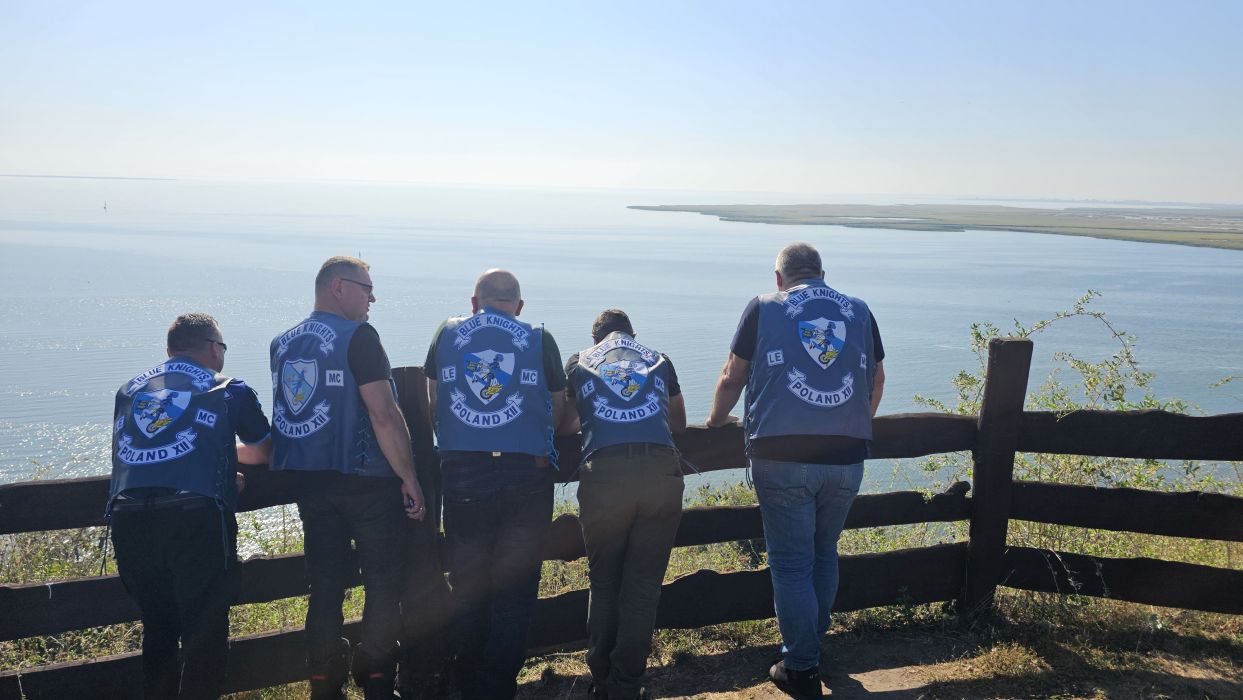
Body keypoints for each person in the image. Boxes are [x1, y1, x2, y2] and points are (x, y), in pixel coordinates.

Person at [706, 242, 885, 699]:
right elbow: (877, 378)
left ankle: (801, 666)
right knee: (824, 552)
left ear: (779, 277)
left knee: (790, 564)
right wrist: (856, 424)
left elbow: (732, 376)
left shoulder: (764, 306)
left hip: (781, 455)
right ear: (822, 273)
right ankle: (811, 647)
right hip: (846, 456)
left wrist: (715, 421)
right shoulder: (860, 310)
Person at [269, 256, 426, 700]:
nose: (372, 298)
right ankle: (377, 681)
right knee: (383, 584)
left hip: (310, 486)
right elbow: (383, 414)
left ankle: (323, 684)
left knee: (324, 587)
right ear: (338, 287)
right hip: (366, 481)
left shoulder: (281, 343)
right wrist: (409, 477)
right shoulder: (359, 336)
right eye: (366, 288)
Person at [107, 312, 271, 700]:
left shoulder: (128, 391)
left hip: (129, 521)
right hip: (195, 519)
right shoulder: (229, 388)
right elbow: (265, 450)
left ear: (170, 352)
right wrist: (219, 457)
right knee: (205, 632)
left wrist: (210, 452)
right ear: (214, 348)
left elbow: (146, 446)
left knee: (158, 628)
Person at [424, 268, 566, 700]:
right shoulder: (539, 337)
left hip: (463, 473)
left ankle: (465, 685)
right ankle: (497, 687)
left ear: (474, 303)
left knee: (468, 586)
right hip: (527, 475)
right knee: (515, 592)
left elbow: (433, 401)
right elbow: (558, 407)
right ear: (519, 307)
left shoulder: (445, 333)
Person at [559, 309, 687, 700]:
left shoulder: (579, 362)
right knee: (643, 588)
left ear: (595, 339)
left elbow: (564, 424)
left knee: (604, 583)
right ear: (633, 335)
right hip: (660, 474)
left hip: (605, 477)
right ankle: (627, 686)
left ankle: (601, 681)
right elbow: (678, 422)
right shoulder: (659, 359)